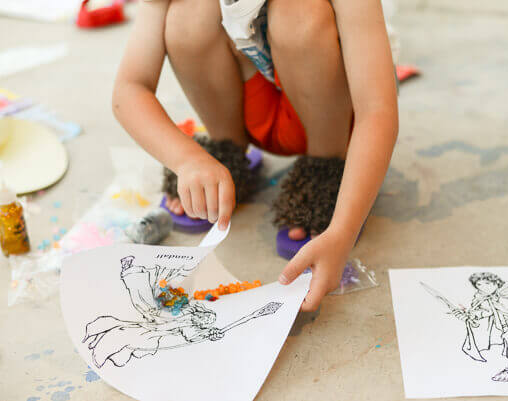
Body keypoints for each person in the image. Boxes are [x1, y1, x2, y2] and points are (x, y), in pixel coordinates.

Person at [112, 0, 398, 311]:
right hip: (250, 109)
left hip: (331, 114)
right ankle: (227, 151)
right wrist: (187, 158)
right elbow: (130, 86)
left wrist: (342, 230)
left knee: (299, 12)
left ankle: (325, 169)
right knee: (187, 16)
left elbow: (376, 110)